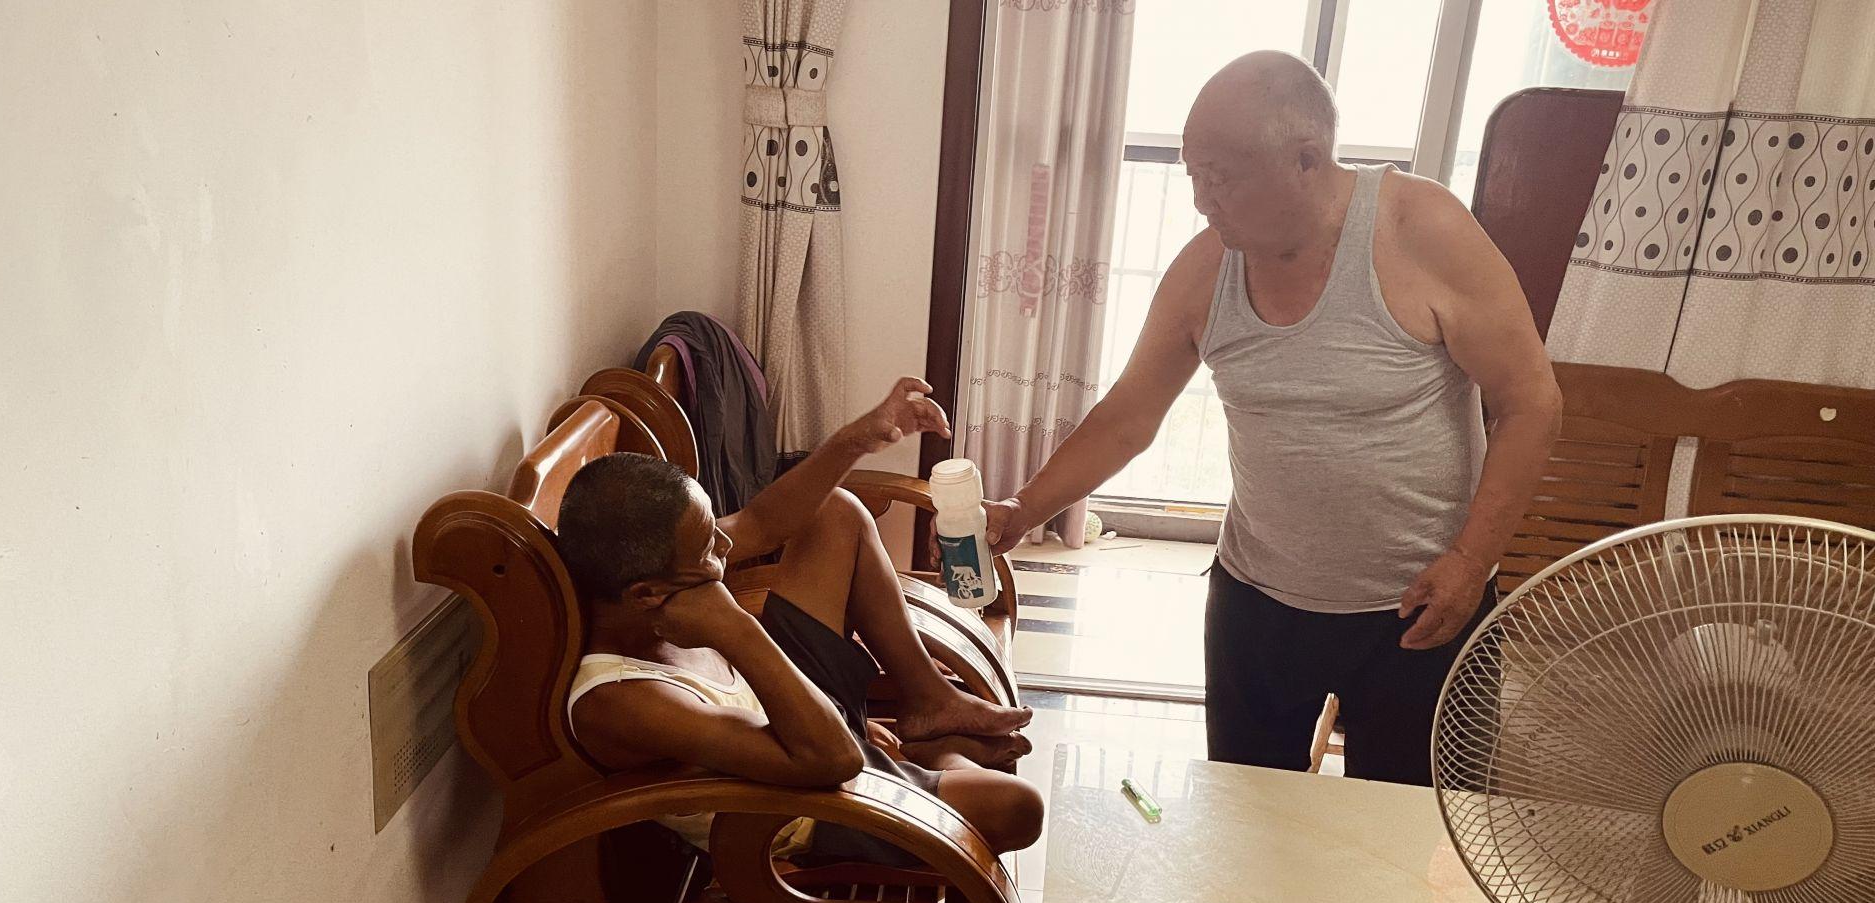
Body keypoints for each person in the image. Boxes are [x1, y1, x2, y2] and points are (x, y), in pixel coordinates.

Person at [979, 52, 1562, 786]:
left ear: (1307, 159)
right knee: (1248, 815)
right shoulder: (1205, 269)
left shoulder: (1423, 231)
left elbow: (1531, 402)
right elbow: (1129, 415)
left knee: (1411, 833)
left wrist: (1472, 562)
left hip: (1423, 605)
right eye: (1193, 175)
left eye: (1220, 177)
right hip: (1257, 606)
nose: (1201, 200)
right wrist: (1025, 508)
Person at [555, 377, 1043, 860]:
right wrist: (737, 629)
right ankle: (938, 756)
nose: (726, 544)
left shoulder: (654, 580)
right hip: (807, 801)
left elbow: (761, 523)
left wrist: (858, 438)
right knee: (1017, 807)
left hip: (796, 714)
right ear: (646, 594)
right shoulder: (620, 701)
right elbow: (835, 761)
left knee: (836, 512)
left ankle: (929, 702)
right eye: (709, 547)